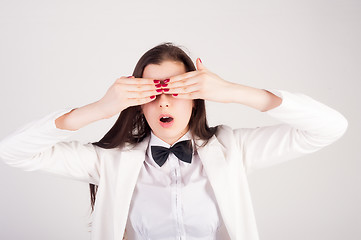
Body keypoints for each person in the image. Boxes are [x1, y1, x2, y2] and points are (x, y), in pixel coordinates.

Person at [0, 42, 348, 240]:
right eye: (152, 92)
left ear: (196, 96)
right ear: (137, 100)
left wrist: (232, 91)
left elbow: (329, 127)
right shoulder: (109, 162)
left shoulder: (232, 150)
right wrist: (100, 108)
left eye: (178, 90)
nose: (164, 101)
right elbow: (13, 151)